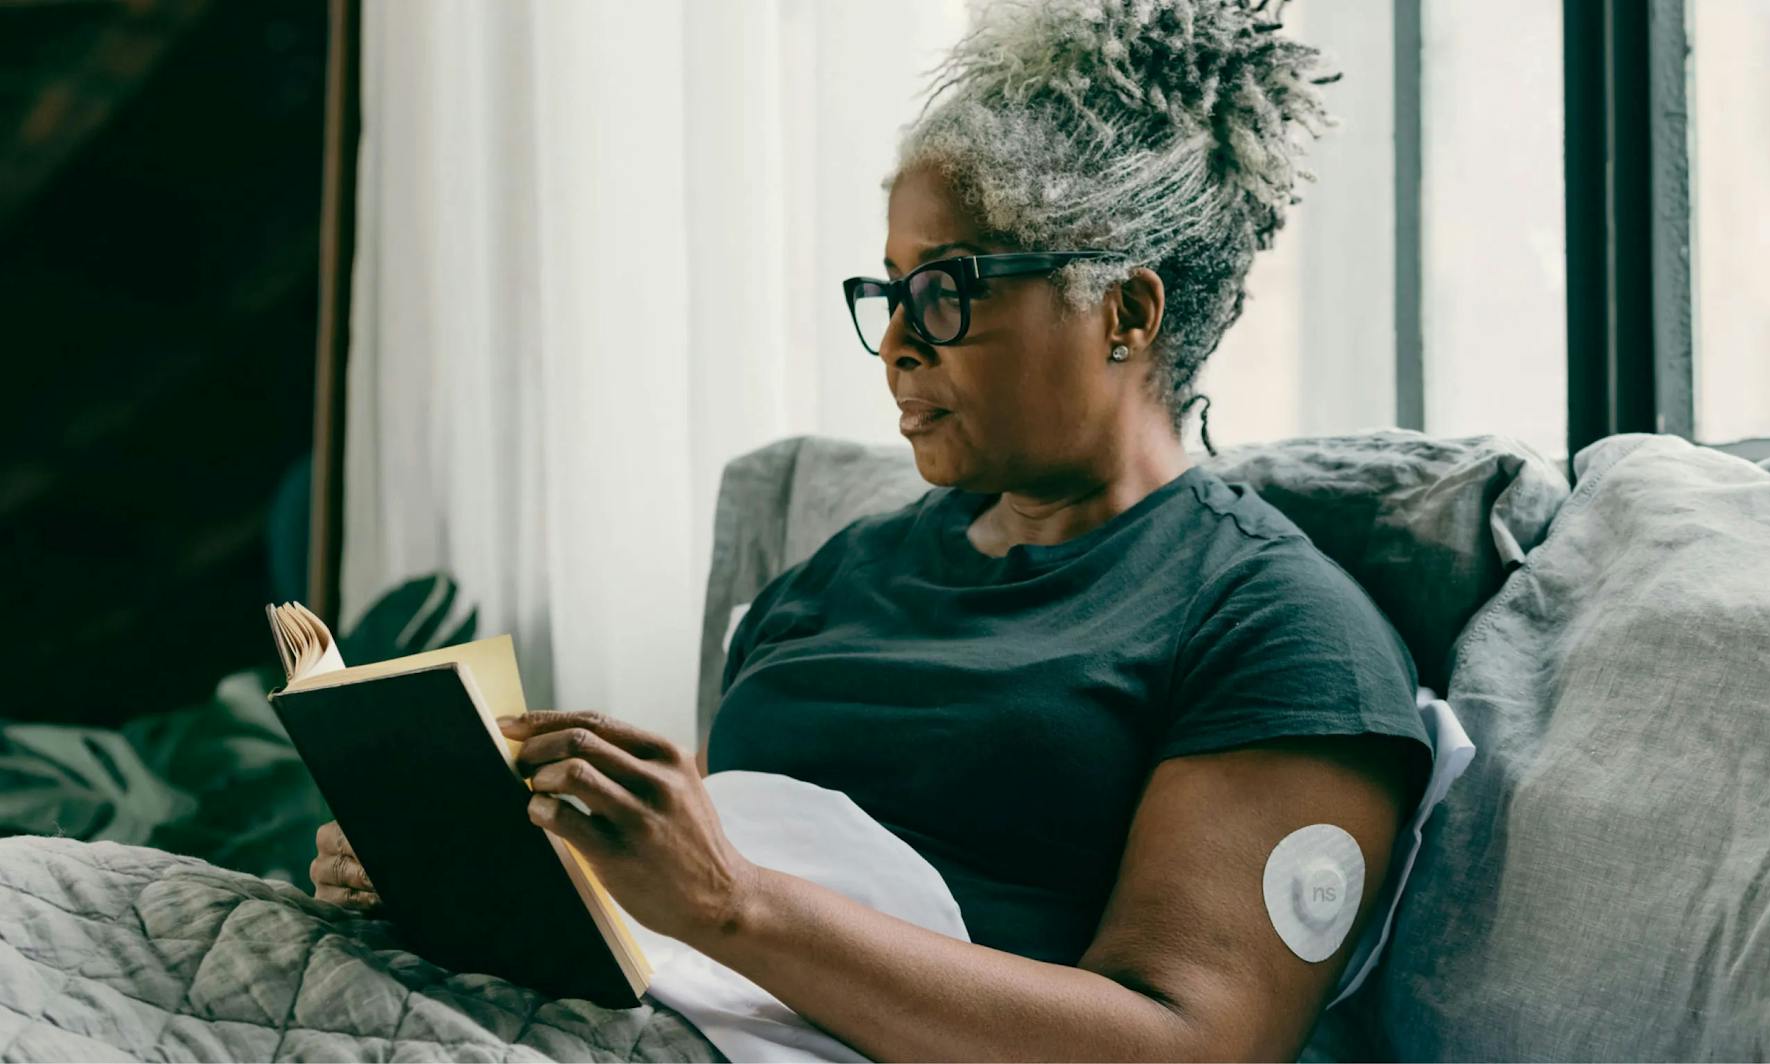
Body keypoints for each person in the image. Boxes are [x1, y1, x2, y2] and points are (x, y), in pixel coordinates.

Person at [314, 0, 1433, 1057]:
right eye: (889, 290)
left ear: (1126, 313)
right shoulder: (847, 569)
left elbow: (1190, 1042)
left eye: (947, 288)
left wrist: (727, 901)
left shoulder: (1279, 630)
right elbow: (726, 842)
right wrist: (478, 853)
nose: (898, 341)